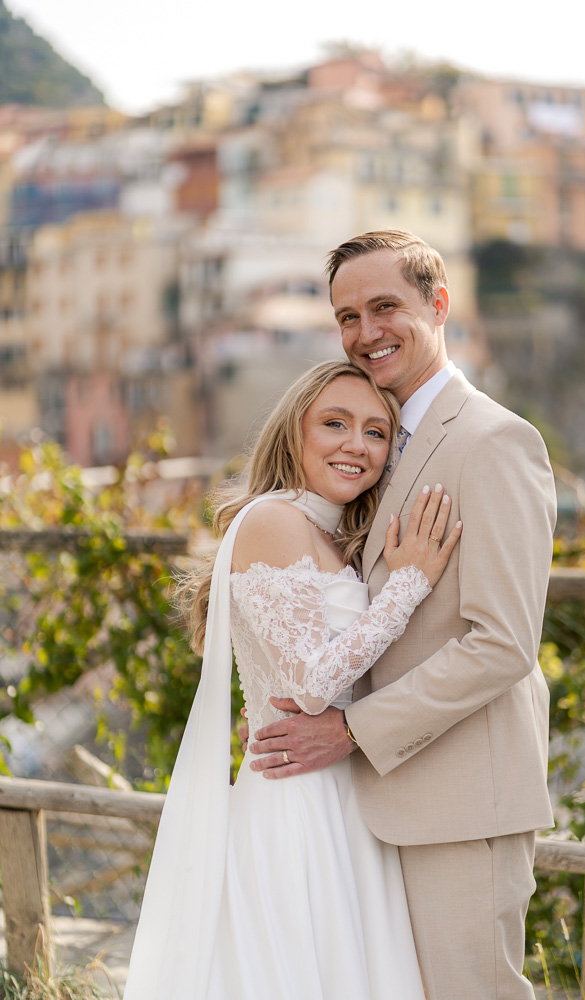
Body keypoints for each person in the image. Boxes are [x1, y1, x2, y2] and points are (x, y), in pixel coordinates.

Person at [247, 231, 558, 1000]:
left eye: (385, 307)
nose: (365, 332)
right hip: (367, 806)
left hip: (458, 803)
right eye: (346, 316)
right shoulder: (375, 442)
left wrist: (351, 730)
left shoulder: (492, 441)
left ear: (439, 304)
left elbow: (502, 644)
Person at [123, 359, 462, 1000]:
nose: (356, 444)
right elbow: (310, 685)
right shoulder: (274, 520)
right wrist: (409, 585)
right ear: (294, 433)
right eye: (335, 423)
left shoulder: (329, 533)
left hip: (343, 789)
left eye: (376, 432)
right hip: (298, 801)